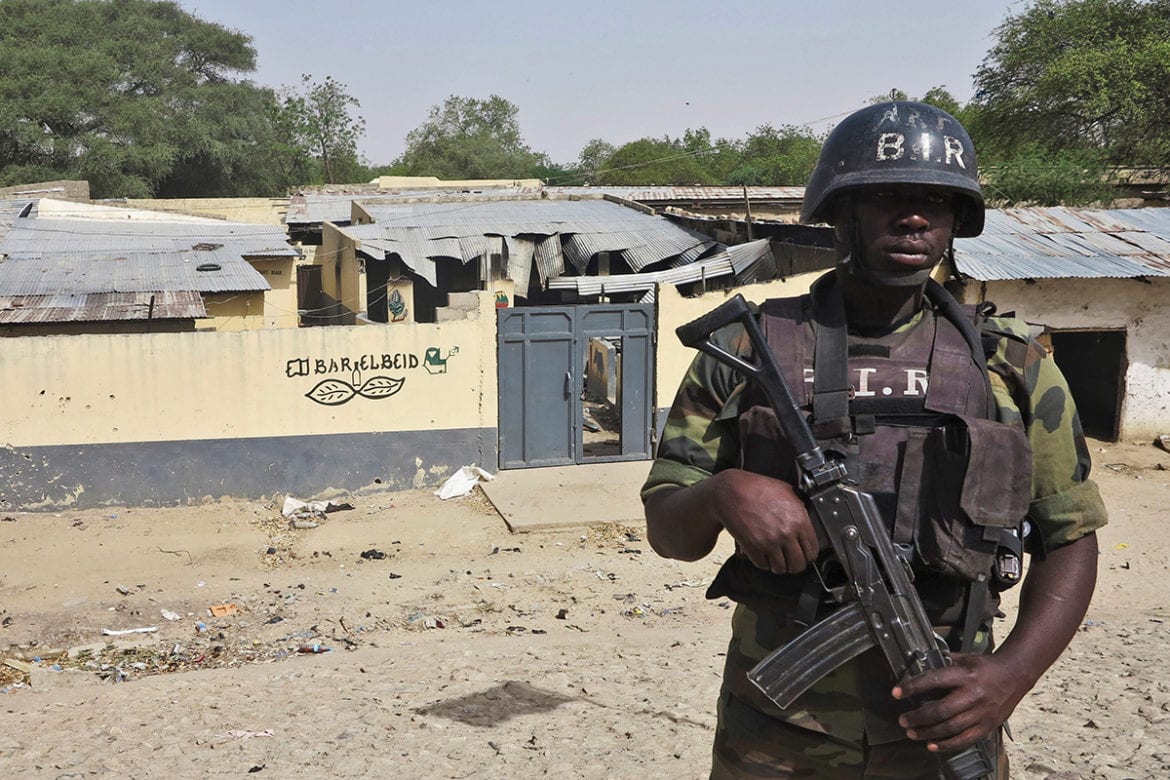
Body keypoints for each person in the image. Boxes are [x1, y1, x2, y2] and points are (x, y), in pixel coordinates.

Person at [641, 101, 1108, 779]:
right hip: (777, 736)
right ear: (841, 212)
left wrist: (1010, 675)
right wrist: (723, 492)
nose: (914, 217)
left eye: (936, 201)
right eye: (889, 197)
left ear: (957, 222)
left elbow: (1070, 537)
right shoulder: (745, 349)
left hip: (944, 727)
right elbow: (668, 529)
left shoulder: (1011, 364)